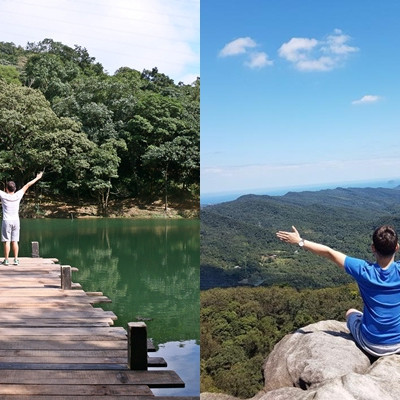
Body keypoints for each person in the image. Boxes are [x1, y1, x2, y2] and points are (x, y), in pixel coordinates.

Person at [276, 224, 400, 357]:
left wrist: (300, 241)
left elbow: (329, 253)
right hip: (397, 344)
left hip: (370, 343)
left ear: (373, 248)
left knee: (351, 312)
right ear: (397, 247)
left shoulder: (363, 270)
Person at [0, 172, 43, 266]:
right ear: (15, 189)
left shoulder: (3, 195)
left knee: (6, 241)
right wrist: (37, 178)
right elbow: (27, 185)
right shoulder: (18, 195)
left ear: (6, 189)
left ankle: (6, 260)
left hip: (6, 221)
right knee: (15, 241)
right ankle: (15, 260)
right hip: (16, 221)